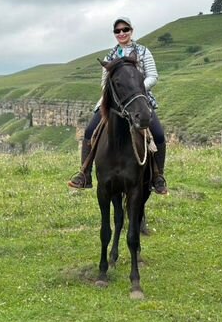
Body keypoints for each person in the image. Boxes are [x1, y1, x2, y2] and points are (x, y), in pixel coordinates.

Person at [68, 17, 168, 195]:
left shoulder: (144, 52)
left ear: (131, 30)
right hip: (114, 102)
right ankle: (85, 173)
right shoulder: (109, 57)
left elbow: (153, 76)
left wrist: (135, 89)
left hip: (139, 99)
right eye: (117, 31)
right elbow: (104, 83)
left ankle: (157, 176)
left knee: (158, 134)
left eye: (125, 29)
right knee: (90, 130)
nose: (122, 33)